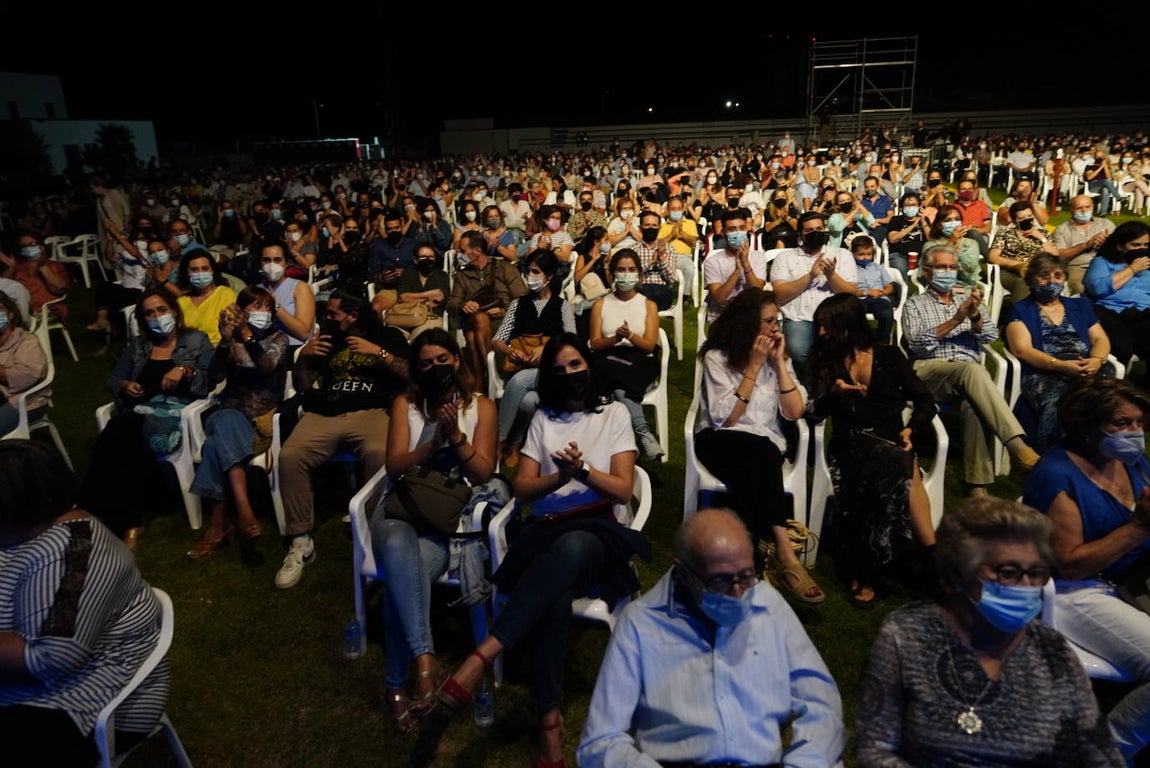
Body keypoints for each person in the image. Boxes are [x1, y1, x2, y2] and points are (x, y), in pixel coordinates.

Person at [413, 333, 649, 768]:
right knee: (554, 595)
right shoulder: (544, 418)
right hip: (545, 527)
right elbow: (522, 489)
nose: (569, 375)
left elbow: (621, 490)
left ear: (589, 366)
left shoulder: (613, 414)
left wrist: (583, 472)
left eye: (576, 365)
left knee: (574, 546)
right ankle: (549, 726)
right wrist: (560, 479)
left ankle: (479, 658)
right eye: (559, 370)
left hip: (597, 529)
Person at [855, 496, 1124, 767]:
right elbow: (874, 750)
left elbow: (1101, 754)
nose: (1026, 585)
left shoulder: (1051, 650)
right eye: (1009, 572)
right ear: (959, 573)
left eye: (1036, 573)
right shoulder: (908, 636)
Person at [577, 507, 845, 768]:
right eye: (720, 581)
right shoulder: (640, 624)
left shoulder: (768, 605)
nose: (739, 592)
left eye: (746, 576)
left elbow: (821, 702)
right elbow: (601, 741)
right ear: (682, 571)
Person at [0, 440, 172, 766]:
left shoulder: (77, 555)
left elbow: (50, 655)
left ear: (19, 510)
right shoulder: (31, 536)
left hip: (91, 705)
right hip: (37, 695)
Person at [372, 328, 498, 734]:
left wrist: (457, 437)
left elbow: (481, 473)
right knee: (394, 544)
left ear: (456, 360)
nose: (435, 368)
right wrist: (431, 442)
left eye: (442, 360)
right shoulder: (405, 404)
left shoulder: (481, 406)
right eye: (425, 363)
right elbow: (394, 467)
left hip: (445, 520)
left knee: (401, 579)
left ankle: (396, 682)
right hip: (401, 509)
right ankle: (425, 663)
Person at [1024, 378, 1150, 763]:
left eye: (1139, 423)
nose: (1135, 433)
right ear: (1086, 425)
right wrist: (1140, 527)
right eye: (1121, 423)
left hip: (1131, 577)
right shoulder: (1056, 474)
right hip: (1076, 592)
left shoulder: (1129, 462)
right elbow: (1071, 565)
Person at [695, 287, 825, 604]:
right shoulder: (717, 358)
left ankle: (745, 561)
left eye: (777, 321)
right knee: (762, 452)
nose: (775, 328)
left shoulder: (779, 358)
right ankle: (784, 550)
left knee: (755, 465)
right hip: (718, 441)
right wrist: (753, 367)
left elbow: (795, 412)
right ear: (747, 325)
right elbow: (725, 418)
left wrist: (779, 364)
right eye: (768, 321)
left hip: (761, 452)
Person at [274, 287, 410, 589]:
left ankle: (377, 535)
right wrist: (304, 359)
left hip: (373, 410)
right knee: (290, 455)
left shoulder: (389, 336)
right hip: (327, 410)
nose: (328, 318)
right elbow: (302, 385)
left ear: (353, 315)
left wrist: (379, 353)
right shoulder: (328, 340)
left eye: (333, 314)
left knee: (378, 453)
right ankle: (300, 541)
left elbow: (411, 374)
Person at [807, 292, 936, 608]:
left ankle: (865, 568)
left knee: (896, 461)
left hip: (890, 441)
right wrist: (834, 395)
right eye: (819, 326)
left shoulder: (890, 356)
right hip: (849, 444)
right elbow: (812, 414)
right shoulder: (824, 360)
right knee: (901, 465)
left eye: (828, 326)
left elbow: (925, 401)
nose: (822, 333)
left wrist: (910, 429)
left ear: (849, 326)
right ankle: (929, 562)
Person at [79, 288, 215, 549]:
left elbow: (209, 381)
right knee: (125, 433)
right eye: (149, 313)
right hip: (139, 410)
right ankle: (121, 518)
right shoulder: (139, 346)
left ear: (174, 311)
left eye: (161, 310)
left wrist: (185, 370)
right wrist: (126, 385)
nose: (157, 316)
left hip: (178, 410)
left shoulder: (196, 340)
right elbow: (113, 379)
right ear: (143, 319)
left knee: (121, 431)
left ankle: (97, 514)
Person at [902, 245, 1040, 497]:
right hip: (928, 371)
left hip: (967, 378)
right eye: (942, 267)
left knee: (974, 405)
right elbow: (916, 344)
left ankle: (978, 488)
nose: (948, 272)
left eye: (952, 267)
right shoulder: (915, 304)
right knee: (973, 370)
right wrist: (956, 320)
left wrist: (974, 316)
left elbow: (990, 335)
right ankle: (1018, 445)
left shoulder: (969, 300)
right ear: (927, 271)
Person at [186, 286, 291, 563]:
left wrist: (246, 337)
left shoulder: (279, 339)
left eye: (267, 307)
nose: (263, 313)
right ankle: (244, 510)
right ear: (242, 312)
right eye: (256, 307)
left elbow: (265, 365)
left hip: (261, 420)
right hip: (231, 412)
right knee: (225, 418)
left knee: (213, 447)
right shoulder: (232, 340)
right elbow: (213, 377)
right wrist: (224, 341)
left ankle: (218, 526)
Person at [1004, 253, 1113, 451]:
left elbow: (1100, 338)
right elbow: (1022, 350)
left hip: (1086, 366)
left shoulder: (1080, 305)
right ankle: (1055, 454)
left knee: (1110, 396)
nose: (1051, 281)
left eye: (1058, 275)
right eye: (1044, 275)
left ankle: (1103, 451)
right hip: (1044, 371)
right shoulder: (1021, 309)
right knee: (1062, 400)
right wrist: (1060, 365)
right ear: (1032, 278)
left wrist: (1096, 360)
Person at [492, 249, 576, 467]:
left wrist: (548, 348)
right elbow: (498, 340)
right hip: (521, 366)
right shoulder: (517, 304)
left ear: (548, 277)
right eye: (528, 271)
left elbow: (571, 341)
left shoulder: (562, 307)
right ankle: (514, 442)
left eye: (535, 271)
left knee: (521, 382)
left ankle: (497, 441)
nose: (530, 276)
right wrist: (511, 351)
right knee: (529, 401)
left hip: (551, 371)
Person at [588, 249, 664, 461]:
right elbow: (595, 343)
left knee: (616, 384)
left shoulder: (648, 305)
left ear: (639, 274)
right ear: (612, 274)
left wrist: (629, 335)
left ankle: (616, 444)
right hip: (608, 357)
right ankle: (643, 434)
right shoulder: (600, 304)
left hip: (638, 360)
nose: (626, 274)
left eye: (631, 270)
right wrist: (614, 339)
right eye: (621, 270)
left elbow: (649, 346)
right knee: (615, 379)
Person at [770, 211, 859, 383]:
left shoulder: (842, 254)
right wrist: (810, 276)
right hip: (798, 318)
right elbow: (780, 295)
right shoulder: (785, 257)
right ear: (800, 234)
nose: (815, 233)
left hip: (834, 317)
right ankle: (812, 390)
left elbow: (850, 294)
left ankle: (829, 389)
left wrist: (832, 275)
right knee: (799, 351)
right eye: (809, 230)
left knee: (839, 353)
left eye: (819, 228)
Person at [446, 230, 528, 393]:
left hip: (504, 321)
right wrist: (463, 305)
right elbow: (451, 302)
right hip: (474, 320)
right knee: (480, 318)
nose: (458, 254)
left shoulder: (503, 268)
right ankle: (494, 374)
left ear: (476, 252)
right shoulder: (462, 275)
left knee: (471, 337)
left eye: (462, 251)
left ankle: (480, 384)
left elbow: (523, 299)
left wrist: (505, 310)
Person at [1084, 221, 1150, 375]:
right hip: (1107, 310)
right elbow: (1097, 289)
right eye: (1136, 245)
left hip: (1142, 312)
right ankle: (1108, 386)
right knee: (1121, 347)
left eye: (1146, 245)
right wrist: (1132, 269)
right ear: (1120, 246)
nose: (1142, 249)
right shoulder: (1103, 263)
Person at [987, 201, 1063, 309]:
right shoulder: (1005, 233)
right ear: (1014, 221)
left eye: (1029, 216)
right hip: (1008, 271)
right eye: (1021, 218)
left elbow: (1055, 256)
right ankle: (1019, 317)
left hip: (1038, 272)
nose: (1026, 220)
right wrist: (1018, 265)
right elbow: (993, 256)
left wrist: (1041, 238)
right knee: (1023, 283)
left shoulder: (1043, 234)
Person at [702, 209, 770, 322]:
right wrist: (737, 270)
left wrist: (746, 264)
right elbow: (719, 298)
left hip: (751, 314)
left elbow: (757, 291)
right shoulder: (713, 261)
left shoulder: (758, 257)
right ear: (723, 233)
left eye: (742, 228)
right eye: (732, 229)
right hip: (723, 316)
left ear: (747, 230)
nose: (738, 233)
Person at [0, 291, 49, 437]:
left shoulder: (26, 341)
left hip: (23, 402)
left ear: (11, 314)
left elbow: (27, 375)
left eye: (0, 308)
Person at [0, 232, 70, 322]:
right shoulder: (19, 265)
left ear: (42, 247)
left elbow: (59, 289)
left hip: (43, 311)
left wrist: (41, 266)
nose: (28, 248)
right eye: (23, 246)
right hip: (16, 308)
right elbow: (3, 287)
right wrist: (11, 268)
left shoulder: (53, 265)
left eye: (32, 244)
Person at [1053, 194, 1114, 296]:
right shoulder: (1062, 229)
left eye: (1087, 207)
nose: (1084, 211)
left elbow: (1119, 247)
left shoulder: (1106, 224)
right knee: (1081, 288)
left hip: (1105, 265)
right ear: (1071, 210)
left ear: (1093, 207)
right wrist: (1086, 245)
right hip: (1078, 268)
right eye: (1079, 208)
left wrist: (1108, 243)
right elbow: (1059, 255)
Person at [175, 249, 238, 346]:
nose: (200, 273)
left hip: (219, 351)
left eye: (205, 268)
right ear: (186, 273)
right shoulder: (180, 301)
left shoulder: (226, 294)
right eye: (194, 270)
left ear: (212, 270)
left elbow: (232, 332)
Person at [257, 243, 315, 348]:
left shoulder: (299, 287)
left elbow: (303, 333)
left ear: (287, 263)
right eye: (266, 260)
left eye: (277, 260)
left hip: (292, 347)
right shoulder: (257, 290)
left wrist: (276, 307)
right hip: (263, 349)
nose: (271, 265)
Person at [849, 234, 897, 344]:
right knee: (854, 314)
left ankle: (881, 343)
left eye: (868, 254)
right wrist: (867, 292)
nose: (865, 257)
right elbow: (848, 290)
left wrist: (885, 291)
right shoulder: (850, 269)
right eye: (861, 254)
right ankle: (858, 342)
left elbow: (890, 286)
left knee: (886, 314)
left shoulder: (878, 267)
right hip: (860, 298)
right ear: (853, 254)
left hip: (879, 298)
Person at [924, 204, 982, 290]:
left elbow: (970, 268)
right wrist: (951, 243)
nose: (953, 223)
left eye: (957, 219)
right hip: (937, 288)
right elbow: (930, 271)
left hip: (965, 288)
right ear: (939, 225)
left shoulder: (971, 244)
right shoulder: (930, 245)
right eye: (947, 220)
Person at [886, 191, 929, 279]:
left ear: (919, 207)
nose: (911, 207)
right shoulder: (896, 220)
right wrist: (912, 226)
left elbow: (931, 239)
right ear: (902, 207)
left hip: (921, 256)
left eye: (914, 205)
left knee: (931, 266)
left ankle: (924, 290)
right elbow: (892, 239)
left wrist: (923, 220)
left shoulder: (924, 220)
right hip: (899, 255)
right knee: (900, 266)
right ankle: (903, 292)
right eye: (907, 205)